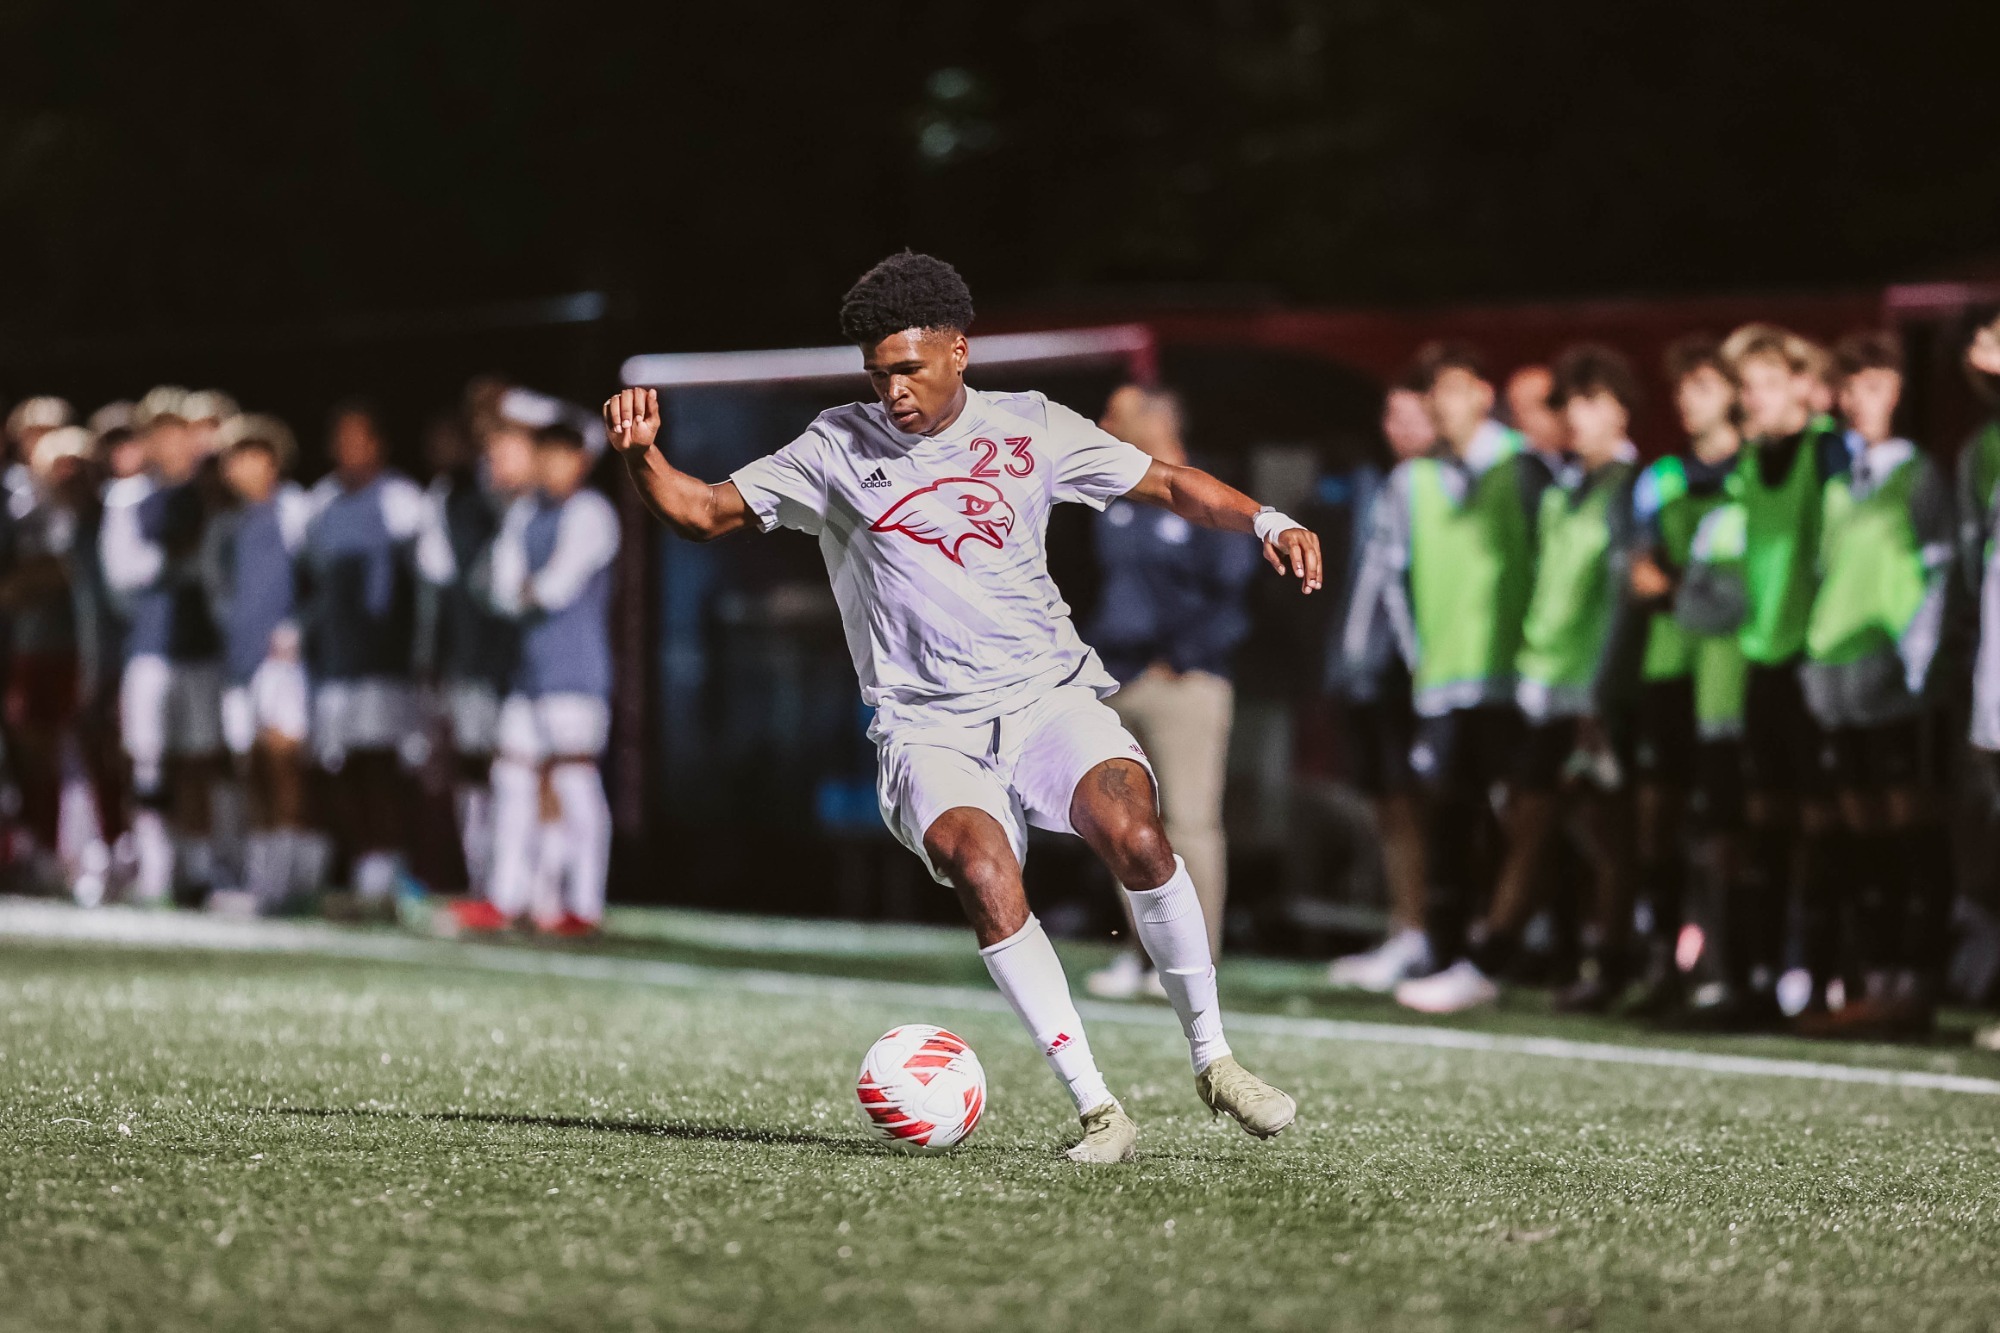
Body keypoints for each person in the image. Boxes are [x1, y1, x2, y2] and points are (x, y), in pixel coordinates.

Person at [601, 251, 1315, 1162]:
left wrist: (1267, 519)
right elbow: (704, 511)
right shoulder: (835, 445)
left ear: (958, 352)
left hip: (1047, 697)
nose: (892, 390)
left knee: (1137, 832)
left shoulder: (1031, 425)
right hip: (927, 727)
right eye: (877, 373)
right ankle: (1099, 1107)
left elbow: (1170, 482)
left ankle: (1214, 1058)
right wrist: (642, 457)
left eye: (908, 368)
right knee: (983, 870)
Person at [1397, 345, 1643, 1013]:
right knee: (1590, 830)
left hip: (1593, 691)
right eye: (1569, 404)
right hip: (1550, 685)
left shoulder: (1630, 487)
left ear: (1622, 409)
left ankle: (1495, 961)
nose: (1573, 417)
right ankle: (1605, 965)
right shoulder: (1566, 488)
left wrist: (1602, 692)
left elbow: (1622, 602)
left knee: (1564, 826)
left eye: (1588, 402)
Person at [1342, 342, 1554, 1014]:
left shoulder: (1525, 468)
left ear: (1484, 394)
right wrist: (1420, 657)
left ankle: (1516, 951)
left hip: (1517, 678)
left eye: (1455, 389)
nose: (1442, 404)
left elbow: (1551, 566)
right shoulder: (1413, 479)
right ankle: (1451, 952)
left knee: (1526, 816)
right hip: (1444, 682)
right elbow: (1394, 583)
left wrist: (1540, 656)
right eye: (1434, 392)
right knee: (1450, 820)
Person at [1792, 332, 1951, 1035]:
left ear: (1899, 391)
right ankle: (1879, 982)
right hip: (1838, 678)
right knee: (1863, 841)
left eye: (1874, 384)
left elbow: (1941, 575)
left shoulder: (1920, 474)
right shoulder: (1836, 480)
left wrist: (1920, 662)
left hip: (1896, 679)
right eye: (1850, 386)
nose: (1859, 399)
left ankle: (1917, 985)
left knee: (1911, 832)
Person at [1080, 385, 1259, 1001]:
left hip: (1186, 684)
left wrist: (1179, 660)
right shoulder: (1115, 497)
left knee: (1189, 823)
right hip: (1119, 680)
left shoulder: (1206, 494)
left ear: (1157, 421)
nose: (1104, 423)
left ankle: (1194, 961)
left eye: (1117, 414)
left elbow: (1235, 597)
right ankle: (1143, 953)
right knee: (1122, 823)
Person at [1697, 324, 1852, 1027]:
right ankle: (1757, 982)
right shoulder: (1749, 462)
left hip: (1814, 662)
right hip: (1761, 662)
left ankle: (1821, 983)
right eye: (1744, 386)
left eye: (1764, 383)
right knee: (1763, 826)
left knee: (1825, 826)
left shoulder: (1829, 451)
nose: (1750, 398)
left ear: (1801, 385)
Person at [1622, 336, 1747, 1016]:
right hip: (1667, 664)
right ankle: (1662, 965)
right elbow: (1641, 575)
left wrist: (1684, 590)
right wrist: (1691, 594)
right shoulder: (1661, 476)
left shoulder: (1754, 470)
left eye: (1701, 385)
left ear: (1731, 391)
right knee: (1657, 820)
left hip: (1729, 671)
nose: (1687, 400)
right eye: (1681, 388)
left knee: (1728, 826)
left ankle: (1728, 968)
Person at [483, 421, 620, 935]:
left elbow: (555, 588)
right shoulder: (524, 512)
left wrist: (525, 590)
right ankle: (509, 897)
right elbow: (500, 590)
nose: (553, 465)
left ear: (581, 462)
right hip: (529, 672)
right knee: (512, 777)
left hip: (576, 674)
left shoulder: (592, 512)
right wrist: (523, 591)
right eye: (546, 455)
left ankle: (583, 905)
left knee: (573, 780)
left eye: (564, 455)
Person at [1325, 378, 1437, 990]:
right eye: (1391, 415)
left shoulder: (1439, 486)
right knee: (1391, 806)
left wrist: (1417, 663)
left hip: (1411, 674)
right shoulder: (1380, 481)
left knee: (1415, 805)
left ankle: (1424, 931)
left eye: (1411, 414)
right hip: (1369, 673)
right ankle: (1406, 928)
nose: (1398, 428)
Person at [297, 401, 426, 909]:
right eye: (341, 439)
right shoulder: (320, 504)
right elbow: (314, 583)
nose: (349, 449)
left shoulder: (403, 500)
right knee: (340, 767)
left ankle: (391, 867)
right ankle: (364, 865)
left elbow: (421, 587)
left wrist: (420, 654)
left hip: (386, 663)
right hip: (334, 662)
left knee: (382, 765)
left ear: (378, 445)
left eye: (359, 438)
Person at [99, 398, 227, 904]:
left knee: (198, 760)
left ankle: (200, 868)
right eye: (160, 434)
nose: (171, 444)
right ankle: (156, 867)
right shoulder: (128, 499)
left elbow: (217, 569)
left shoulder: (211, 495)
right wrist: (173, 556)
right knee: (149, 761)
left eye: (178, 433)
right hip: (149, 648)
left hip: (202, 649)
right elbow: (122, 574)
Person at [203, 413, 318, 910]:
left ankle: (289, 880)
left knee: (284, 763)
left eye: (255, 456)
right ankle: (261, 876)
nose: (245, 467)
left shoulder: (299, 513)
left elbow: (321, 584)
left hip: (285, 665)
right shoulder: (225, 526)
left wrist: (298, 628)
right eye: (237, 458)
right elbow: (217, 591)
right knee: (250, 769)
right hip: (239, 664)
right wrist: (238, 632)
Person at [417, 405, 528, 909]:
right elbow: (438, 585)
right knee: (474, 768)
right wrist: (431, 655)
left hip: (529, 664)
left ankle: (535, 887)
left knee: (524, 771)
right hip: (472, 656)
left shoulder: (533, 501)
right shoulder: (450, 499)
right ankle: (483, 878)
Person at [0, 421, 93, 888]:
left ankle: (49, 852)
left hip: (47, 647)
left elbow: (56, 569)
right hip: (23, 645)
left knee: (45, 753)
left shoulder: (49, 505)